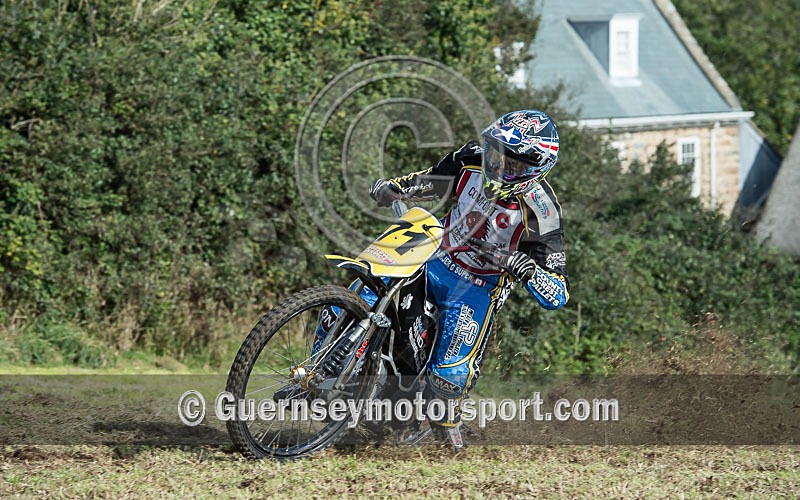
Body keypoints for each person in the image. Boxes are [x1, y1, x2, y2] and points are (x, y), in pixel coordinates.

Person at [368, 109, 570, 446]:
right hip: (431, 257)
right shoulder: (471, 157)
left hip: (478, 288)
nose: (499, 166)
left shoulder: (543, 212)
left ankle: (447, 433)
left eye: (513, 164)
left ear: (536, 167)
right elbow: (432, 180)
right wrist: (397, 187)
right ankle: (325, 374)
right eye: (496, 155)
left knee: (446, 380)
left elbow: (558, 293)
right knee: (368, 289)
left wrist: (526, 268)